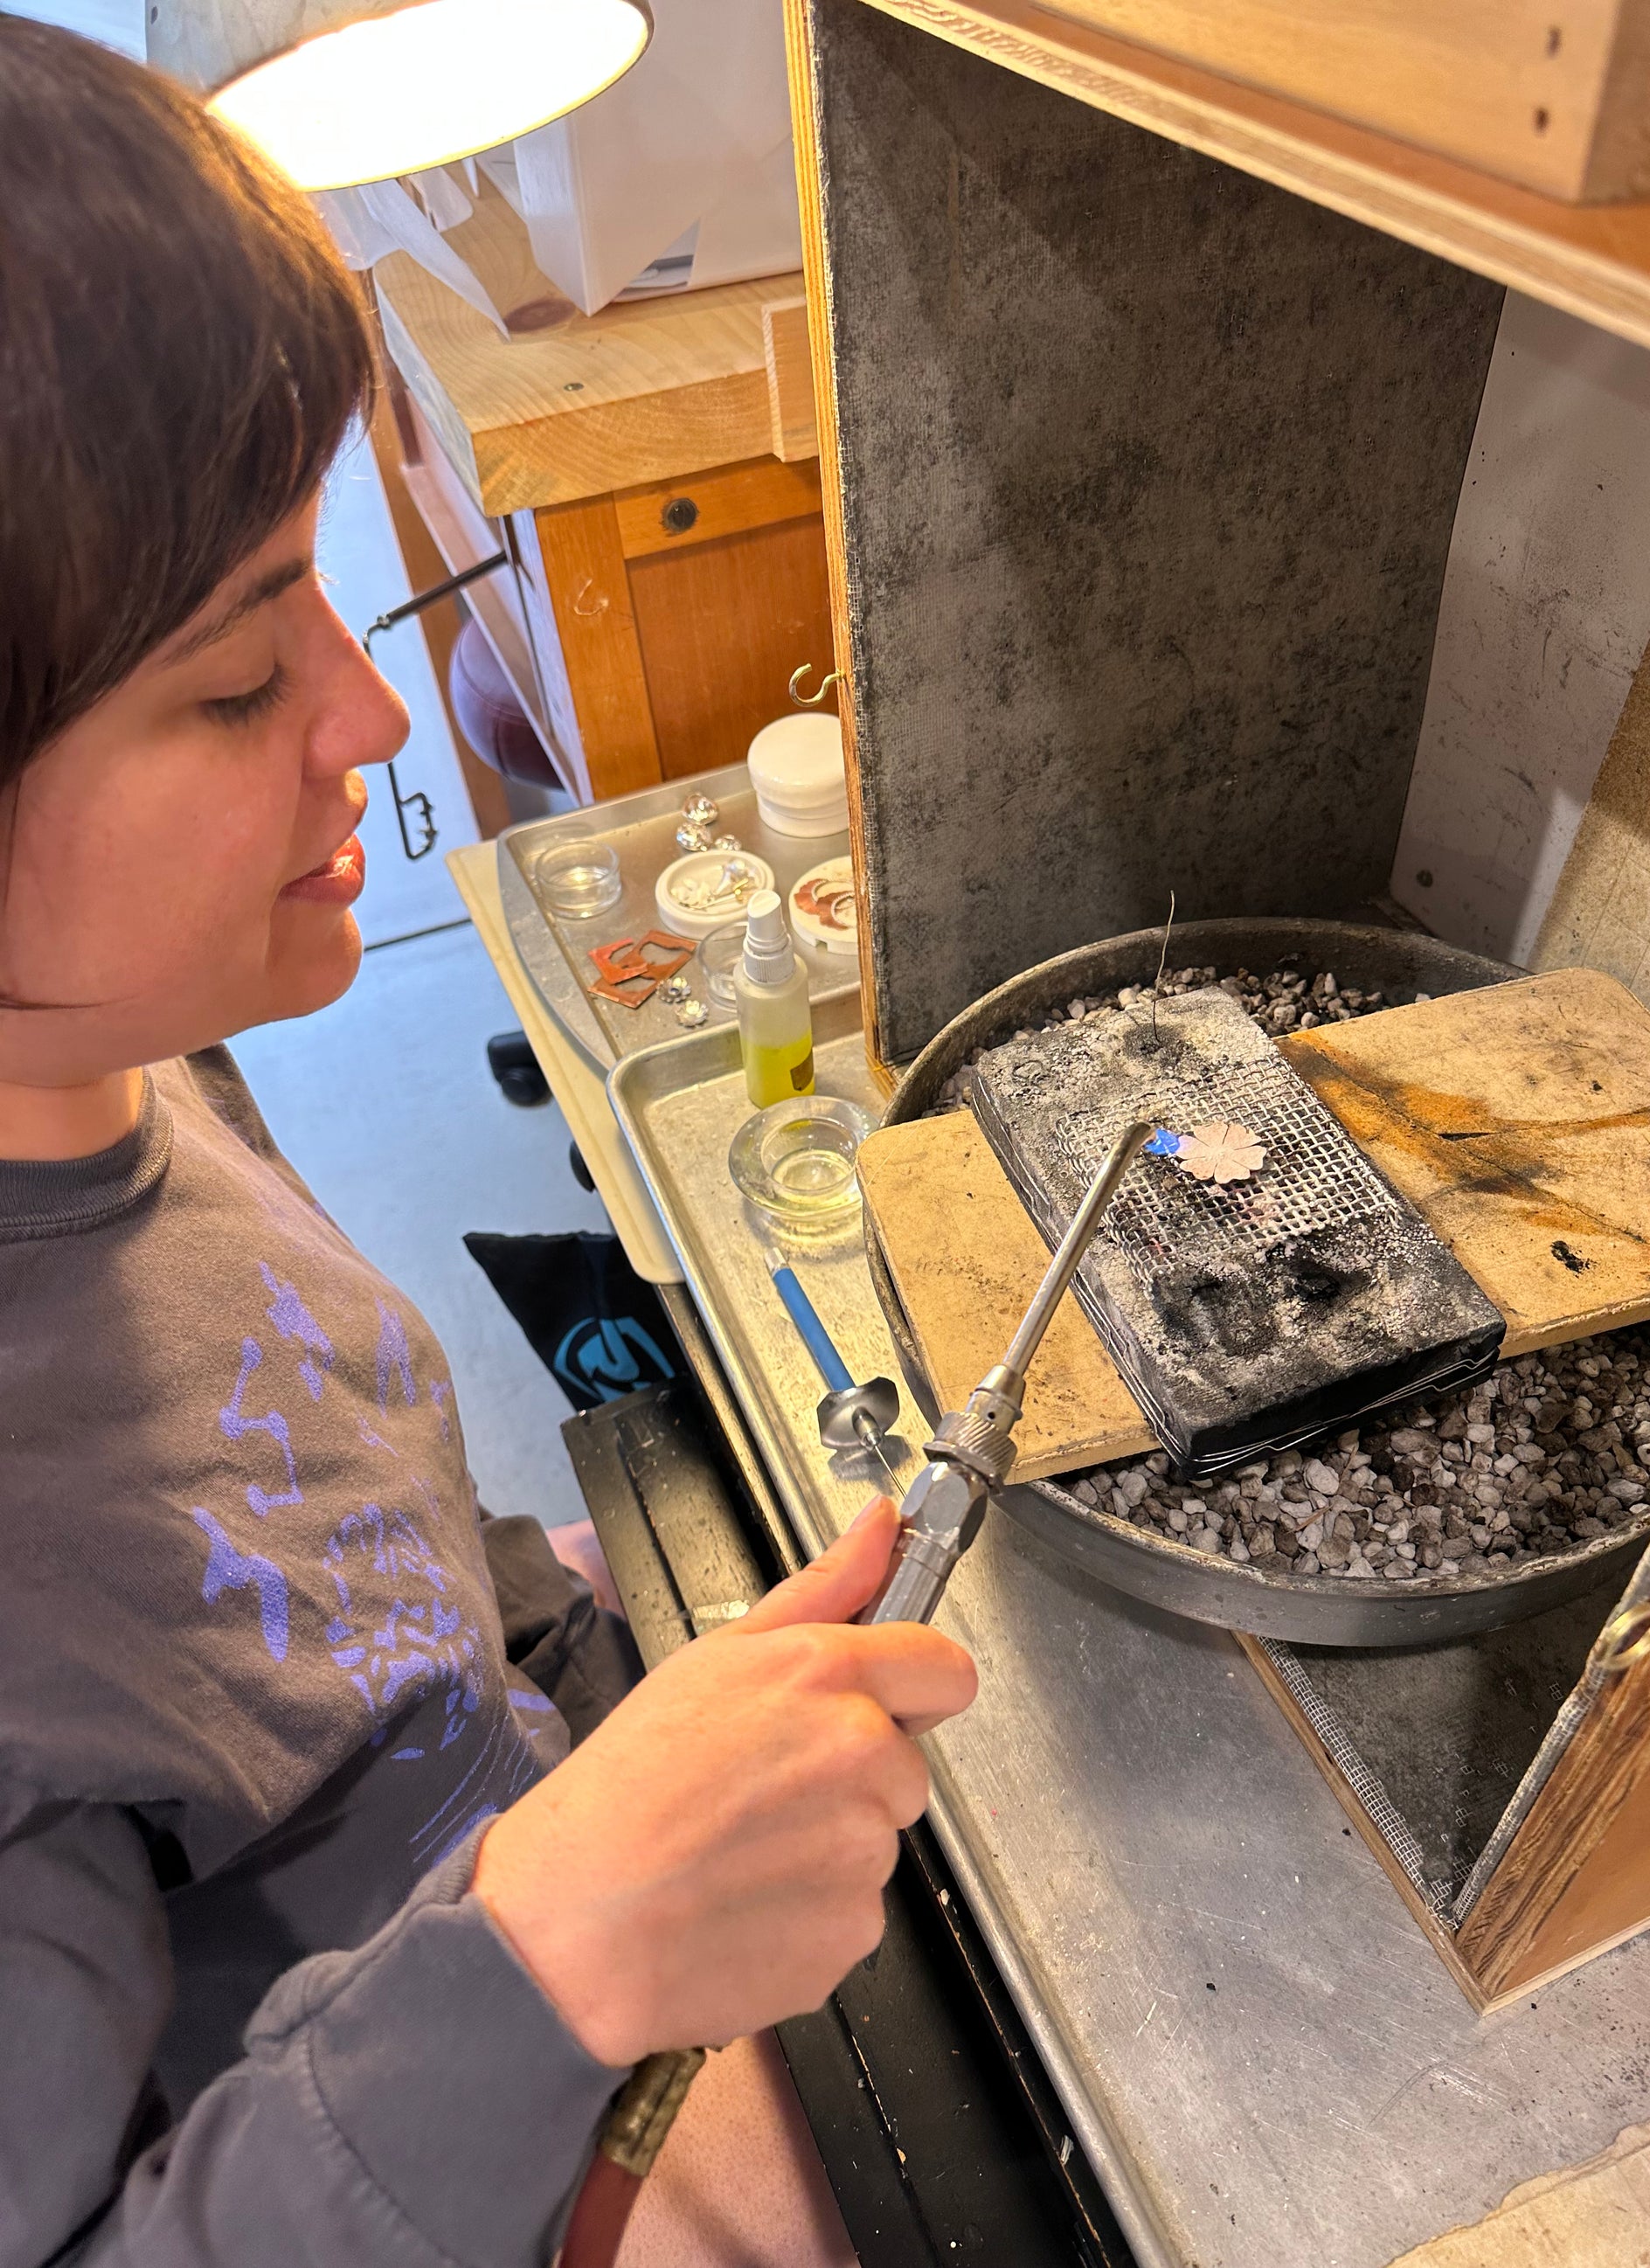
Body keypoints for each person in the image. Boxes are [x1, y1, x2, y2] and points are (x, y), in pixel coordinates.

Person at [0, 20, 976, 2265]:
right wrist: (541, 1964)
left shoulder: (130, 1057)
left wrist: (584, 1657)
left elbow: (342, 1499)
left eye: (314, 592)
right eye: (237, 683)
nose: (362, 716)